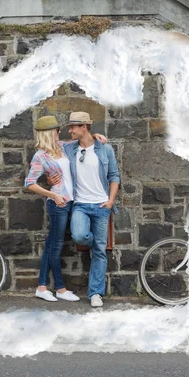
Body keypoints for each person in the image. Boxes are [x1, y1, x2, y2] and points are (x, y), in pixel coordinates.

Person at [24, 115, 107, 302]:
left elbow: (82, 140)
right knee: (56, 246)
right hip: (58, 203)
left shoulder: (62, 147)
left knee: (52, 244)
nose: (60, 132)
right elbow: (29, 183)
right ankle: (60, 289)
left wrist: (96, 136)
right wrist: (53, 194)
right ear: (49, 133)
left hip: (71, 201)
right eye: (57, 130)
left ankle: (42, 287)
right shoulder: (40, 156)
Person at [62, 111, 120, 308]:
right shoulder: (70, 149)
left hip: (102, 206)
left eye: (72, 127)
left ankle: (95, 293)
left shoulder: (105, 150)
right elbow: (50, 150)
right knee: (79, 236)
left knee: (99, 253)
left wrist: (111, 201)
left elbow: (114, 176)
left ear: (83, 127)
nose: (69, 130)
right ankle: (96, 242)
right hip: (80, 205)